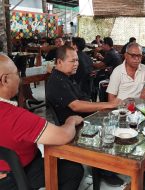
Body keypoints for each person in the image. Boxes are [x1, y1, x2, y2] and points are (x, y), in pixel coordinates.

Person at [0, 53, 84, 190]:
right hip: (16, 176)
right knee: (74, 170)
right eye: (17, 73)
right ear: (5, 80)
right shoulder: (15, 117)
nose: (19, 78)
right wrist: (70, 121)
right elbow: (63, 136)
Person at [46, 45, 120, 125]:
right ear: (59, 62)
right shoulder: (57, 81)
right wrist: (108, 104)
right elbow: (76, 105)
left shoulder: (67, 76)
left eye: (77, 60)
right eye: (72, 61)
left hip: (86, 118)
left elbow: (81, 97)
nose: (76, 64)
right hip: (75, 125)